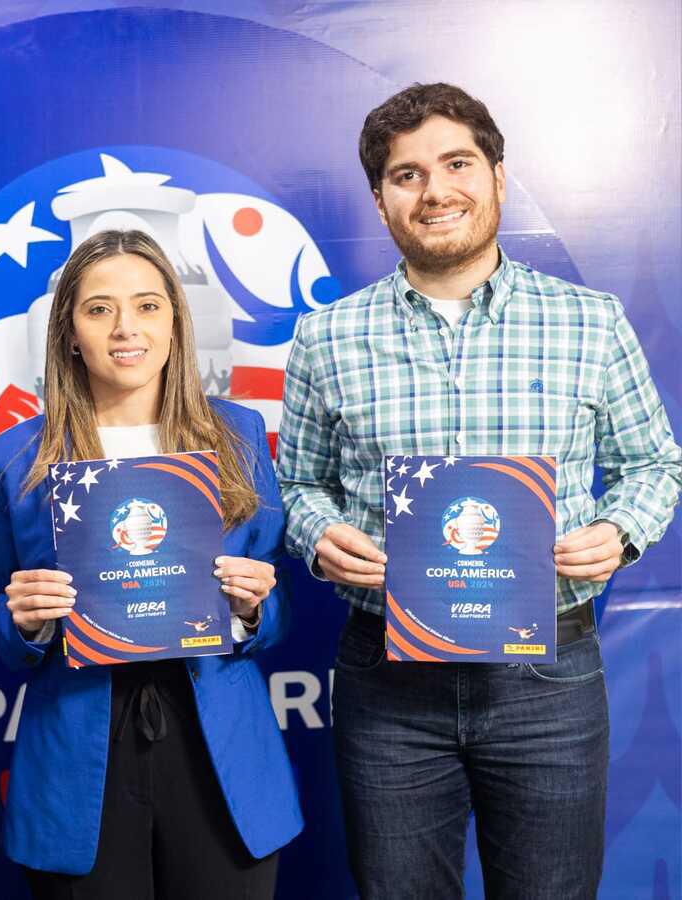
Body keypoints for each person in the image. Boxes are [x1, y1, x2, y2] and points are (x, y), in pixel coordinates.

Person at [276, 82, 681, 898]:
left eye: (457, 163)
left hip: (549, 680)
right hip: (388, 683)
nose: (435, 191)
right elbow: (297, 483)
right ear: (382, 200)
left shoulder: (590, 321)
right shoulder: (326, 336)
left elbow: (654, 465)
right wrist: (318, 535)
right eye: (406, 174)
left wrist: (623, 530)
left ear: (499, 175)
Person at [0, 229, 303, 900]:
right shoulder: (17, 455)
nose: (126, 327)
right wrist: (27, 622)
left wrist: (252, 609)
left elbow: (277, 604)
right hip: (78, 750)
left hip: (216, 741)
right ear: (70, 331)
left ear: (176, 323)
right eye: (99, 309)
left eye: (148, 306)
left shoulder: (238, 436)